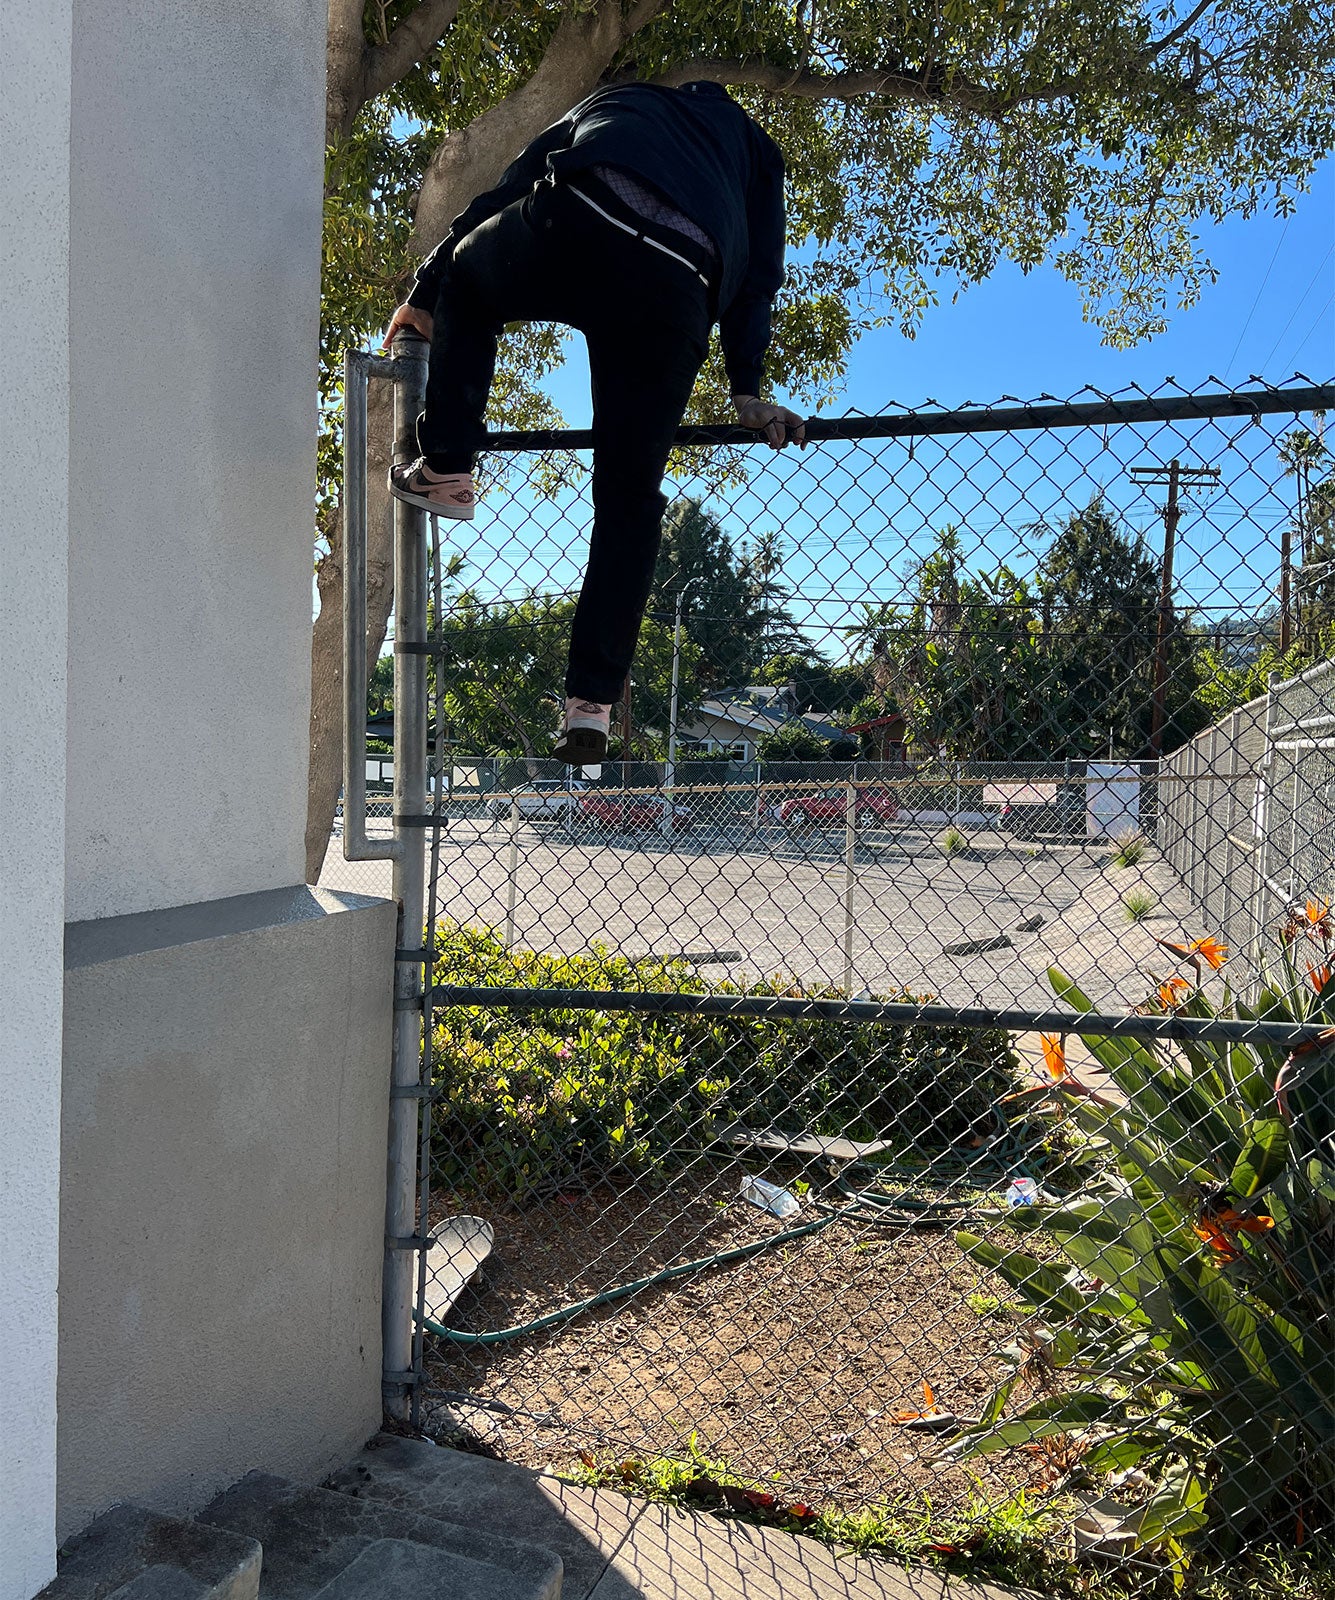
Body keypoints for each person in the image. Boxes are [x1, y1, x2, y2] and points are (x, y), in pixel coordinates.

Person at [384, 79, 806, 765]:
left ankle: (448, 468)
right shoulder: (755, 150)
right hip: (681, 283)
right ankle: (591, 703)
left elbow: (509, 185)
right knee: (629, 496)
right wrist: (744, 388)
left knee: (470, 275)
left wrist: (425, 293)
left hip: (588, 215)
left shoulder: (623, 99)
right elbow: (760, 275)